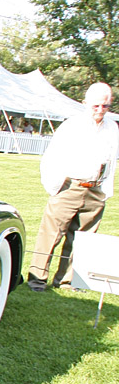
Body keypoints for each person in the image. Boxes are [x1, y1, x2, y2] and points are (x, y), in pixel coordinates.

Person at [27, 82, 118, 291]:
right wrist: (56, 188)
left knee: (83, 239)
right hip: (69, 187)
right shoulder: (72, 125)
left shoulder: (112, 128)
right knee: (51, 235)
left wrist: (104, 191)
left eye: (105, 106)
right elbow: (51, 158)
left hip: (95, 189)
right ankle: (37, 280)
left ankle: (67, 281)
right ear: (85, 103)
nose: (100, 110)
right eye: (96, 106)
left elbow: (111, 160)